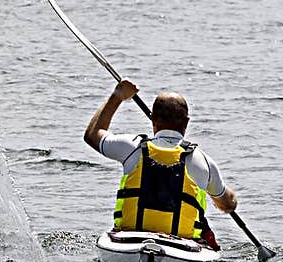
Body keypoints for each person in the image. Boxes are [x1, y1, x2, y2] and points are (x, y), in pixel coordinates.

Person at [84, 80, 237, 250]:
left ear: (153, 120)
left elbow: (92, 135)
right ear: (186, 122)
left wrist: (117, 96)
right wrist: (225, 197)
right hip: (181, 248)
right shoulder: (204, 162)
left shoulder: (131, 147)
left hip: (129, 242)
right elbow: (227, 204)